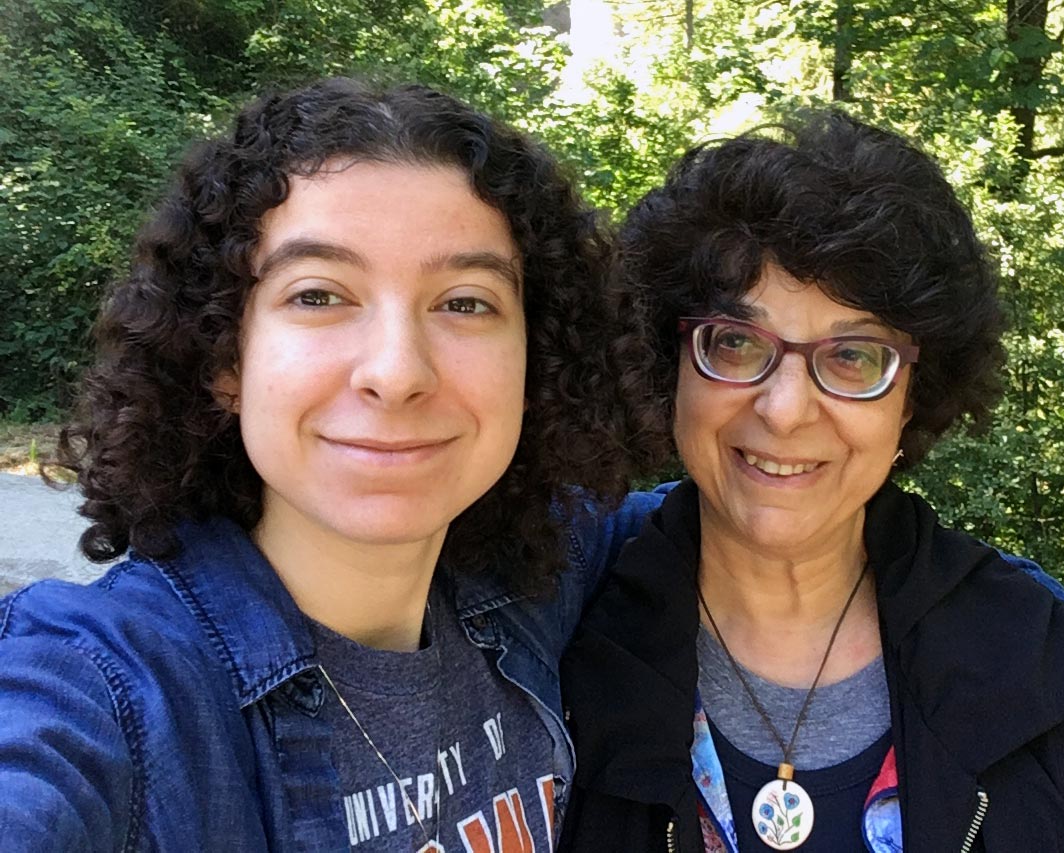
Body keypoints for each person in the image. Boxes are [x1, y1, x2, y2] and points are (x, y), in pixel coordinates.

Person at [0, 77, 662, 851]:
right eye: (318, 295)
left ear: (534, 360)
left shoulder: (530, 585)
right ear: (226, 359)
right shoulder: (106, 689)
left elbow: (751, 506)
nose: (397, 369)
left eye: (465, 301)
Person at [558, 112, 1064, 852]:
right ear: (671, 366)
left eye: (854, 356)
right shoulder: (554, 642)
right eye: (734, 342)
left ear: (913, 397)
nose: (786, 409)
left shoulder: (1050, 678)